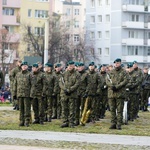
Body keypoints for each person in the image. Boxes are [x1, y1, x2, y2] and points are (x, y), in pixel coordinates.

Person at [106, 58, 128, 130]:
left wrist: (117, 86)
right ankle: (113, 123)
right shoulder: (111, 72)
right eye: (115, 63)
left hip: (120, 94)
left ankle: (119, 124)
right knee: (112, 109)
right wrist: (111, 86)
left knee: (119, 110)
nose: (116, 64)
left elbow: (125, 81)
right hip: (111, 93)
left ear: (120, 63)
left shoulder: (124, 72)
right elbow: (107, 80)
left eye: (118, 63)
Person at [59, 61, 80, 128]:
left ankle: (71, 122)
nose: (70, 67)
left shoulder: (77, 74)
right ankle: (65, 121)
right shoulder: (64, 74)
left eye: (71, 66)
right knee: (64, 109)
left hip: (72, 94)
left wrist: (70, 89)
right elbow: (60, 83)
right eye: (69, 66)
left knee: (72, 109)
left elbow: (77, 83)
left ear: (74, 66)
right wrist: (65, 89)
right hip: (64, 94)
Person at [13, 62, 31, 127]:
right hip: (20, 94)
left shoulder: (30, 74)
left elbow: (32, 85)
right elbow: (15, 84)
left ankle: (27, 121)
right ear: (21, 67)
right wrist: (14, 93)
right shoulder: (18, 75)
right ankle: (21, 120)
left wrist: (31, 94)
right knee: (21, 108)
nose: (24, 67)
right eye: (23, 66)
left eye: (25, 66)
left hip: (27, 94)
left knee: (27, 108)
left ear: (27, 67)